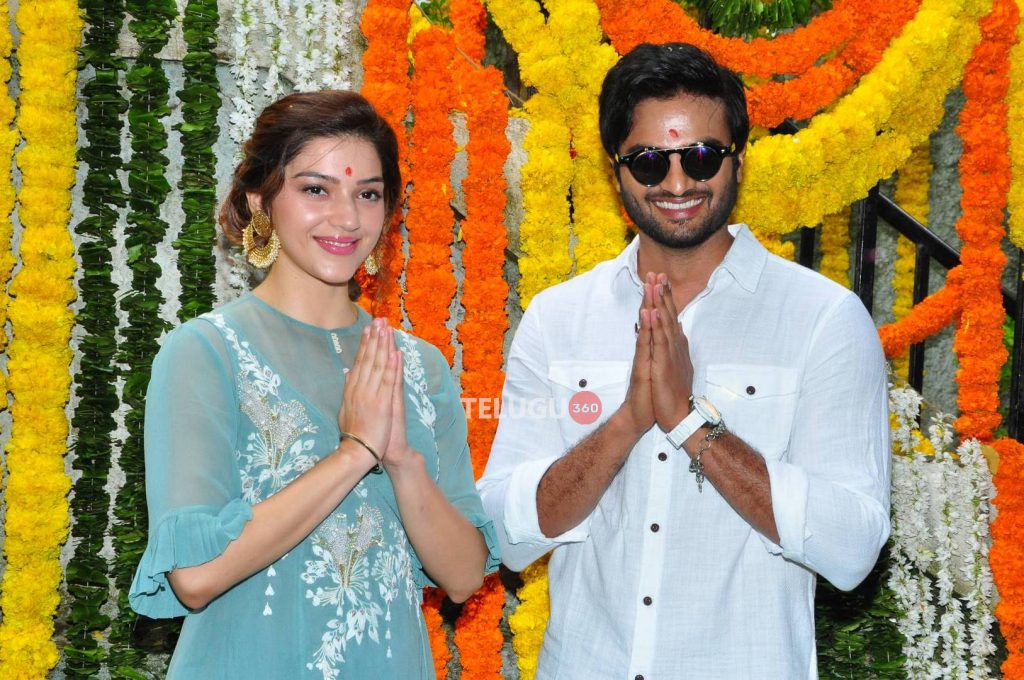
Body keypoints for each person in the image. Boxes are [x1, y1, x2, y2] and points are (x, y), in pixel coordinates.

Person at [478, 43, 891, 679]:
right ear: (615, 171)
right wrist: (628, 422)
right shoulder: (559, 317)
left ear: (738, 160)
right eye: (649, 162)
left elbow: (851, 546)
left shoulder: (822, 319)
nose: (676, 184)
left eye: (701, 157)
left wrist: (689, 422)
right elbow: (504, 534)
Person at [129, 90, 498, 679]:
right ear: (261, 200)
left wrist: (401, 462)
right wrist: (356, 453)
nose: (347, 218)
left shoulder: (419, 366)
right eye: (316, 189)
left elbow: (462, 576)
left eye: (368, 194)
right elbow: (194, 577)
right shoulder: (204, 352)